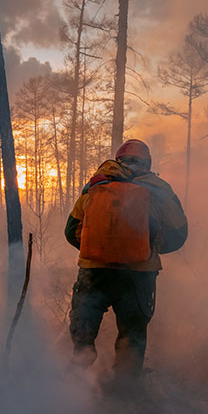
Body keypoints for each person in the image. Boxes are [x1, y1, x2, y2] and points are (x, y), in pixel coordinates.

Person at [65, 138, 188, 381]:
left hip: (95, 270)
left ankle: (78, 372)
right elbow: (179, 231)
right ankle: (125, 390)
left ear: (117, 160)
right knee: (133, 332)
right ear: (148, 164)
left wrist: (98, 248)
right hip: (139, 274)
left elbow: (71, 230)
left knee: (85, 320)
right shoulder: (159, 188)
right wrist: (151, 248)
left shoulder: (96, 184)